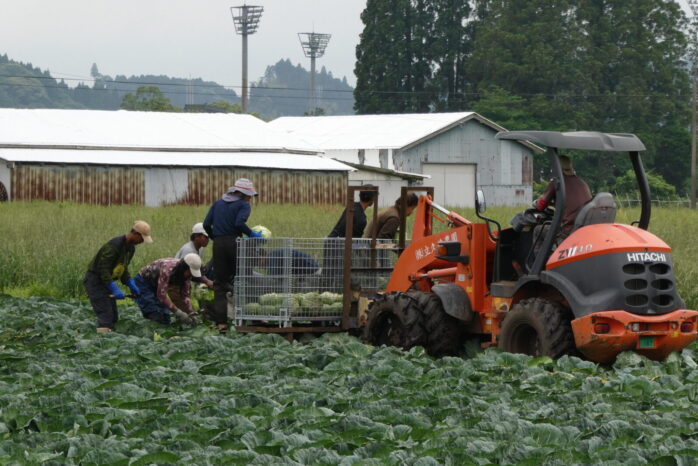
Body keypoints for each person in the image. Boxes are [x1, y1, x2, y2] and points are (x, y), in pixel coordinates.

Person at [203, 178, 263, 333]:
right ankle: (254, 318)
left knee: (219, 285)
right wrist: (252, 234)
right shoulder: (243, 205)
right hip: (235, 243)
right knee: (245, 278)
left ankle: (221, 323)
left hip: (218, 245)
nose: (250, 199)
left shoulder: (218, 204)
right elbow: (239, 224)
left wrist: (215, 238)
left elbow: (206, 224)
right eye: (250, 196)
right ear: (243, 194)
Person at [84, 220, 153, 333]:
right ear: (135, 234)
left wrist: (130, 283)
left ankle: (108, 335)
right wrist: (113, 287)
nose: (142, 242)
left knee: (113, 316)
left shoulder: (130, 248)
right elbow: (103, 269)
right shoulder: (114, 245)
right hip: (95, 281)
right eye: (141, 239)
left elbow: (122, 267)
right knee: (106, 316)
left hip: (106, 282)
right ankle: (101, 339)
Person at [132, 253, 202, 325]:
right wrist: (179, 313)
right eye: (190, 273)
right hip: (144, 282)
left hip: (157, 284)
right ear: (184, 268)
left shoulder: (187, 276)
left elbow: (185, 295)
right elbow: (161, 296)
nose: (191, 276)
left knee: (165, 317)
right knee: (153, 312)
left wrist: (191, 312)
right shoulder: (168, 269)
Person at [535, 155, 592, 235]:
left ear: (557, 168)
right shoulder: (582, 183)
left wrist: (537, 202)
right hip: (583, 227)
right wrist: (553, 204)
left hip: (568, 229)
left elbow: (541, 205)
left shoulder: (556, 183)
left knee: (538, 230)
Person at [176, 222, 213, 288]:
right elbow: (183, 271)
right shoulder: (188, 250)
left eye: (208, 237)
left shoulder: (200, 248)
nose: (208, 240)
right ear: (196, 236)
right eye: (205, 237)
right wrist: (206, 281)